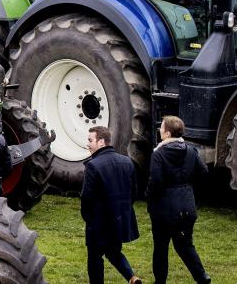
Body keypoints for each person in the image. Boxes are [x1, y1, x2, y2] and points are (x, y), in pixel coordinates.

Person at [146, 116, 211, 284]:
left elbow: (156, 181)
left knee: (161, 247)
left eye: (161, 128)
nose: (159, 130)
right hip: (187, 206)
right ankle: (202, 277)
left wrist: (149, 196)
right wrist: (187, 186)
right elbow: (203, 172)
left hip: (164, 209)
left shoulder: (158, 154)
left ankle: (160, 281)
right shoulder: (190, 150)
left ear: (167, 133)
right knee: (185, 245)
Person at [81, 126, 142, 284]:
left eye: (90, 140)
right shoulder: (127, 162)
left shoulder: (93, 166)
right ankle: (132, 277)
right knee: (114, 252)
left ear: (101, 142)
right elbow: (134, 193)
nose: (87, 144)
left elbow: (86, 197)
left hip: (98, 223)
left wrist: (88, 218)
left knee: (95, 258)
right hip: (119, 220)